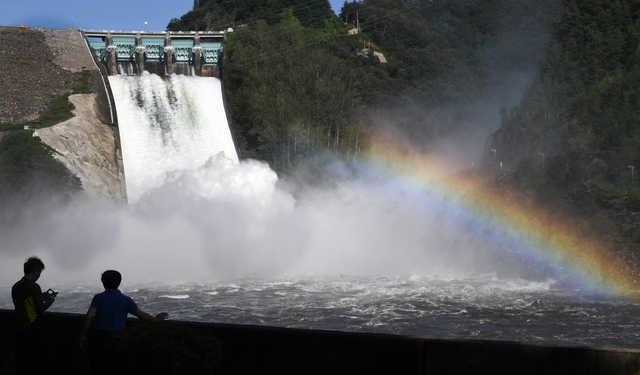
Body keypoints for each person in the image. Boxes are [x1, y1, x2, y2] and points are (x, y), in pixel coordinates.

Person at [81, 270, 168, 374]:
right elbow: (141, 315)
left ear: (103, 282)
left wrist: (84, 335)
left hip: (98, 338)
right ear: (119, 282)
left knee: (98, 366)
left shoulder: (98, 298)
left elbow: (90, 317)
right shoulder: (125, 300)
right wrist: (156, 319)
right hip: (117, 339)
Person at [11, 256, 57, 375]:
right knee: (35, 361)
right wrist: (50, 300)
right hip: (32, 328)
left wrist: (41, 296)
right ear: (35, 271)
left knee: (22, 360)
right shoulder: (34, 286)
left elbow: (26, 303)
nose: (39, 275)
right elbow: (39, 310)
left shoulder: (16, 286)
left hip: (18, 326)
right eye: (39, 272)